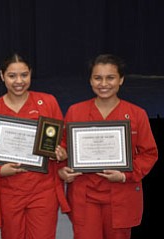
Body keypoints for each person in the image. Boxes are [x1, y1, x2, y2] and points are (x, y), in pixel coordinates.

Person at [58, 54, 158, 239]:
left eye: (110, 77)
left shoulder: (137, 114)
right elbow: (63, 147)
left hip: (121, 194)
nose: (103, 83)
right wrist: (62, 169)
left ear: (121, 80)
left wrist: (125, 175)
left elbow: (149, 154)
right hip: (85, 194)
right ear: (90, 80)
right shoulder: (75, 111)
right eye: (97, 78)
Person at [0, 53, 70, 239]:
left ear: (31, 74)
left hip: (43, 190)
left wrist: (61, 152)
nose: (18, 81)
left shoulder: (48, 102)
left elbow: (62, 139)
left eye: (24, 75)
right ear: (2, 76)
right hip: (9, 191)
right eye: (12, 76)